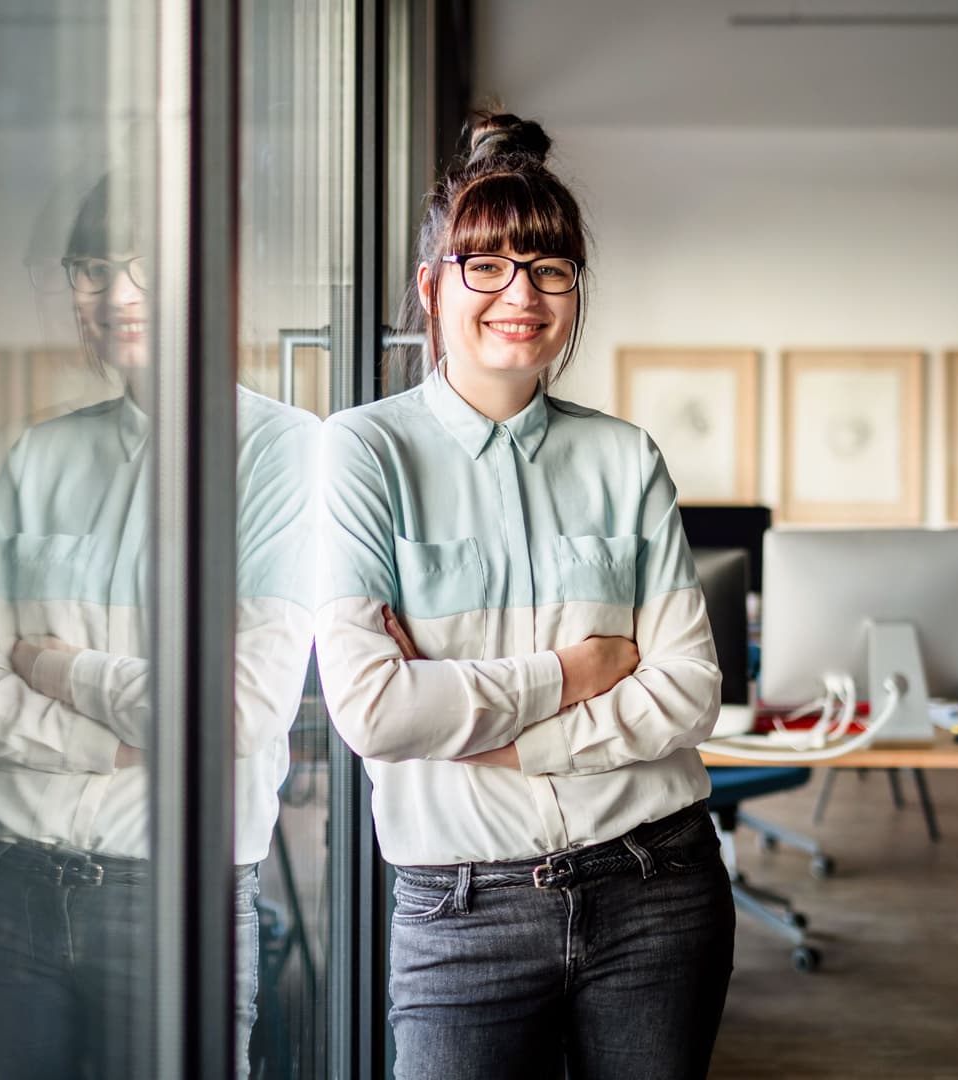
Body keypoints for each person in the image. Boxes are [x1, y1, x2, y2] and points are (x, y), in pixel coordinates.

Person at [314, 112, 734, 1080]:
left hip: (656, 885)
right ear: (431, 287)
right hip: (460, 909)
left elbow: (687, 693)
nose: (523, 294)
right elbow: (375, 708)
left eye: (549, 268)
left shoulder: (623, 456)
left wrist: (495, 734)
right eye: (487, 266)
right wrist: (576, 670)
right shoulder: (363, 454)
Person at [0, 176, 316, 1078]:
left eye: (146, 267)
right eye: (94, 269)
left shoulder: (282, 453)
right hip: (2, 890)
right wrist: (119, 746)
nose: (117, 295)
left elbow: (238, 712)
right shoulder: (38, 455)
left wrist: (56, 669)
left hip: (172, 906)